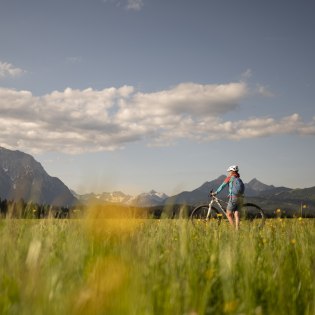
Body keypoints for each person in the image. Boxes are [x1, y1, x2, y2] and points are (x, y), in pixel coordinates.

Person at [212, 165, 245, 229]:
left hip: (234, 198)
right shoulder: (238, 178)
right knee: (236, 214)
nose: (229, 172)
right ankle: (237, 229)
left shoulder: (230, 178)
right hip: (241, 198)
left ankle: (233, 230)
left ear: (232, 171)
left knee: (228, 214)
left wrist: (215, 192)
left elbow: (222, 186)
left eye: (229, 171)